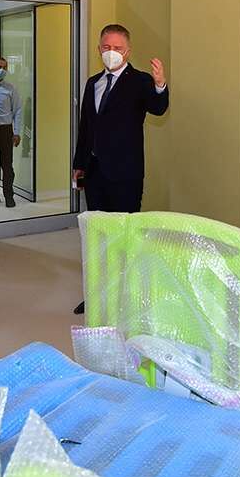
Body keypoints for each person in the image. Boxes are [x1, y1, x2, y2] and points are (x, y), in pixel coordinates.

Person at [72, 24, 169, 313]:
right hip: (95, 173)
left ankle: (125, 297)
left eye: (117, 48)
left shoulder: (140, 81)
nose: (111, 52)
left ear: (127, 51)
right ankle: (97, 294)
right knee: (98, 238)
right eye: (106, 47)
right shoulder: (93, 83)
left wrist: (160, 84)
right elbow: (86, 127)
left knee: (125, 237)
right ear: (98, 49)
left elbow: (158, 108)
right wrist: (79, 164)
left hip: (125, 174)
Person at [0, 55, 23, 207]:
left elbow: (18, 110)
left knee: (7, 165)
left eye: (4, 68)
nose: (1, 70)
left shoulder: (10, 89)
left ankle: (9, 196)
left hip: (5, 130)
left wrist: (16, 132)